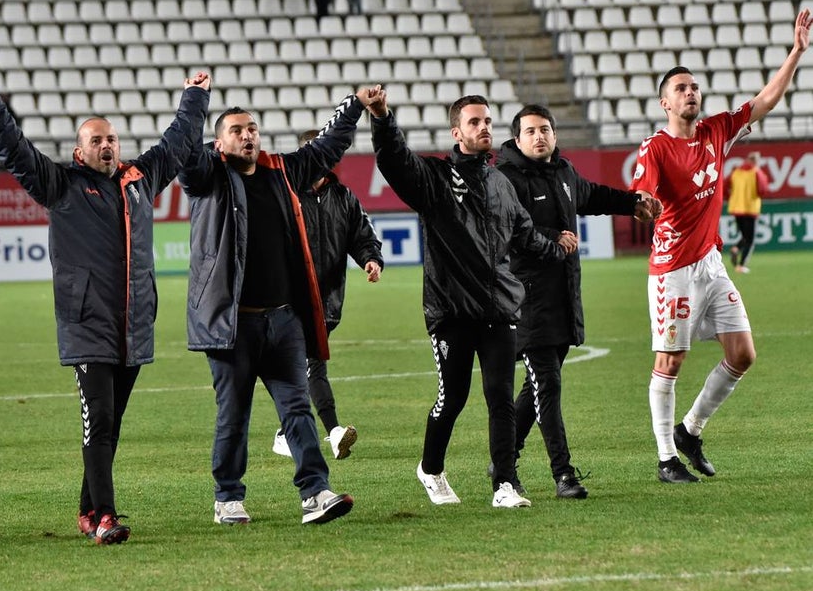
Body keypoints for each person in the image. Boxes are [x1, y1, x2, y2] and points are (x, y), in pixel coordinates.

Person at [0, 65, 210, 546]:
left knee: (109, 426)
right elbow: (14, 150)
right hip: (87, 328)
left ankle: (85, 509)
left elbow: (178, 143)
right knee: (99, 424)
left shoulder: (140, 179)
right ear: (80, 151)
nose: (107, 146)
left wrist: (194, 97)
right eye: (96, 140)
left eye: (112, 139)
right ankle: (105, 517)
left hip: (132, 327)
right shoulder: (62, 185)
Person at [362, 88, 577, 509]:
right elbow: (393, 160)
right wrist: (383, 118)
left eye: (488, 122)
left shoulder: (500, 183)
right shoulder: (434, 179)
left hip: (499, 307)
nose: (484, 128)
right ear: (456, 131)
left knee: (501, 398)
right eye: (474, 122)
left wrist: (556, 247)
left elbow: (524, 236)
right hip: (450, 309)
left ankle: (505, 485)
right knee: (454, 397)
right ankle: (431, 467)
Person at [629, 9, 811, 484]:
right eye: (681, 89)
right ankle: (667, 457)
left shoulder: (715, 131)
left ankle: (690, 431)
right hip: (674, 271)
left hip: (711, 263)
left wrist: (796, 53)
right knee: (670, 360)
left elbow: (764, 101)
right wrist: (644, 207)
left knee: (743, 354)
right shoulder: (654, 148)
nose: (691, 93)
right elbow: (643, 195)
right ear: (665, 102)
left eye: (694, 87)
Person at [179, 93, 369, 527]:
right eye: (236, 131)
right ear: (219, 143)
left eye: (251, 129)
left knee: (297, 409)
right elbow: (185, 155)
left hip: (284, 319)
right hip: (233, 323)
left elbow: (328, 146)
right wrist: (194, 101)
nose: (247, 136)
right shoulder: (207, 177)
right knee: (234, 414)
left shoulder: (282, 170)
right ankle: (227, 497)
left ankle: (316, 492)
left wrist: (355, 105)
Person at [496, 104, 659, 499]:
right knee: (548, 385)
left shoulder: (564, 172)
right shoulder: (504, 179)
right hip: (526, 299)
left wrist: (631, 201)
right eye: (531, 131)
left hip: (564, 296)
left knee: (535, 389)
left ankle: (503, 459)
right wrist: (552, 235)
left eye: (545, 129)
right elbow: (509, 230)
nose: (539, 136)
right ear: (517, 139)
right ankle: (563, 474)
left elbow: (591, 195)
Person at [271, 128, 383, 462]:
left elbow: (362, 236)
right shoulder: (285, 195)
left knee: (302, 371)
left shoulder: (344, 197)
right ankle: (334, 431)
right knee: (312, 367)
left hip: (329, 301)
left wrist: (371, 260)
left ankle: (284, 433)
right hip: (290, 300)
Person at [725, 151, 768, 274]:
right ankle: (741, 265)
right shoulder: (756, 172)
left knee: (745, 236)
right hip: (750, 208)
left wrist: (731, 198)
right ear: (756, 161)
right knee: (750, 239)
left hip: (736, 208)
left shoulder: (736, 172)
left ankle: (735, 248)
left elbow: (724, 185)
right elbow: (762, 190)